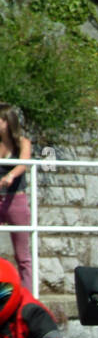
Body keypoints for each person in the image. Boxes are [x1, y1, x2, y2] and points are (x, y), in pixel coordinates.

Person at [0, 104, 33, 291]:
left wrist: (11, 175)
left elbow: (24, 163)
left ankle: (27, 297)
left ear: (6, 122)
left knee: (22, 256)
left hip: (16, 199)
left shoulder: (22, 142)